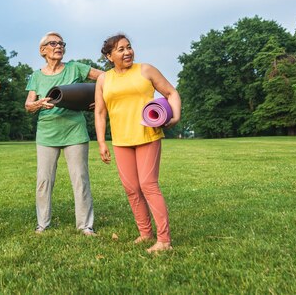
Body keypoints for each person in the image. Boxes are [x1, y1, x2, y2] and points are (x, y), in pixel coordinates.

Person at [94, 34, 181, 253]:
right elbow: (100, 112)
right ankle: (145, 233)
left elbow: (171, 92)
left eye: (129, 47)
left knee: (148, 185)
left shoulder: (146, 70)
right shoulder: (104, 79)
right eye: (121, 49)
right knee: (131, 188)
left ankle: (164, 240)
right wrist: (102, 142)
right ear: (109, 55)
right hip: (121, 140)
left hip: (147, 135)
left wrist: (175, 116)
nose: (127, 52)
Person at [25, 32, 103, 236]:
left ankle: (85, 225)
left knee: (80, 178)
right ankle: (42, 223)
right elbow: (28, 105)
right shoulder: (36, 76)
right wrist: (38, 104)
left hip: (74, 131)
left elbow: (104, 77)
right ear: (43, 50)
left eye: (61, 43)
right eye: (53, 43)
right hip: (47, 133)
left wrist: (102, 98)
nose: (58, 46)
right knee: (44, 180)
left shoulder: (75, 67)